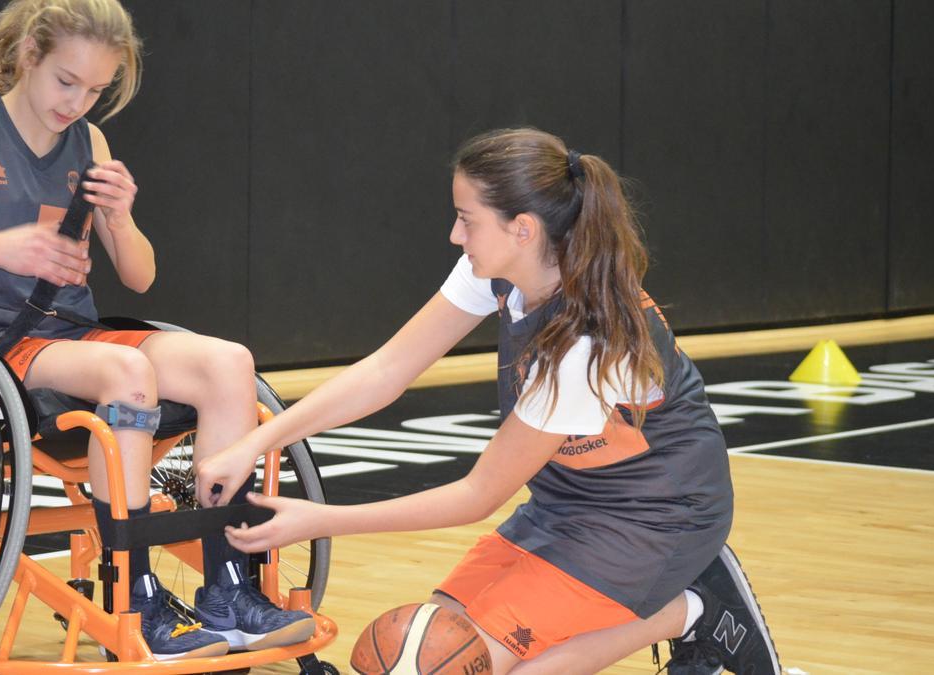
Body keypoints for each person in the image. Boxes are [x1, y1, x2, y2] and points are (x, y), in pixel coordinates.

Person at [196, 128, 781, 674]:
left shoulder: (582, 347)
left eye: (465, 220)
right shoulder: (503, 268)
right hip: (567, 499)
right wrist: (257, 439)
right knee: (441, 636)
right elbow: (386, 370)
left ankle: (693, 609)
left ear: (522, 228)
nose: (455, 235)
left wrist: (323, 520)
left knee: (476, 666)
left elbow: (477, 494)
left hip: (657, 515)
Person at [0, 0, 312, 661]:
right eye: (68, 82)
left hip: (69, 335)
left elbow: (142, 276)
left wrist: (122, 220)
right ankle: (138, 594)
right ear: (29, 56)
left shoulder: (89, 142)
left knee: (229, 363)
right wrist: (1, 245)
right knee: (129, 373)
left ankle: (228, 584)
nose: (79, 102)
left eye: (96, 90)